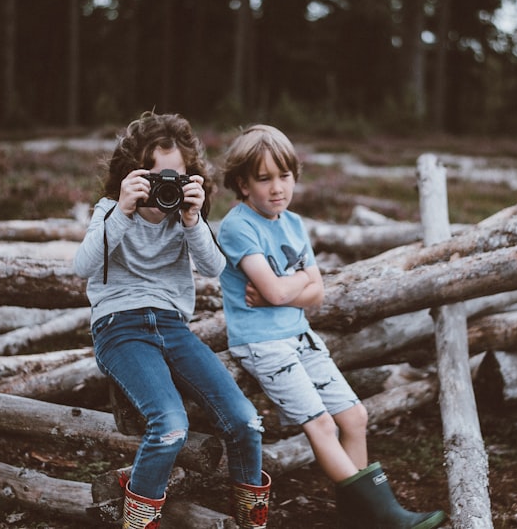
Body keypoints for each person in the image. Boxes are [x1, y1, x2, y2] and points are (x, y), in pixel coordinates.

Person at [217, 124, 446, 529]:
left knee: (355, 416)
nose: (277, 188)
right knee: (321, 424)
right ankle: (384, 515)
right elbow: (275, 290)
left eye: (284, 176)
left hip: (300, 335)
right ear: (242, 183)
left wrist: (291, 289)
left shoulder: (293, 223)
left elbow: (314, 293)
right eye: (264, 178)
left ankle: (360, 518)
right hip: (263, 343)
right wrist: (295, 284)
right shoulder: (238, 226)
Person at [73, 111, 270, 529]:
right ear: (131, 173)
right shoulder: (109, 209)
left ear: (189, 178)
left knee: (247, 421)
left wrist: (193, 219)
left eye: (174, 178)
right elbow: (83, 265)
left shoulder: (185, 218)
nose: (165, 187)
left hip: (173, 327)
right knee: (169, 426)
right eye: (153, 175)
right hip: (119, 328)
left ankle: (252, 523)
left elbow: (215, 267)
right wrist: (123, 211)